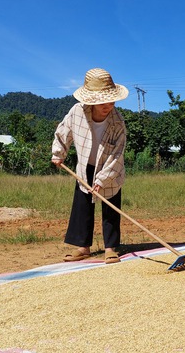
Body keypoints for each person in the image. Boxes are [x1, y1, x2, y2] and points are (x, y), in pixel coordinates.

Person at [51, 68, 128, 264]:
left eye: (112, 101)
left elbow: (117, 155)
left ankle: (110, 248)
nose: (108, 106)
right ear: (91, 100)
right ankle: (82, 247)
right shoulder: (77, 112)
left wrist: (102, 180)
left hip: (110, 169)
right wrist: (58, 154)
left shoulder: (118, 123)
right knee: (82, 205)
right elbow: (63, 132)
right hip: (85, 165)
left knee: (110, 206)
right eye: (103, 102)